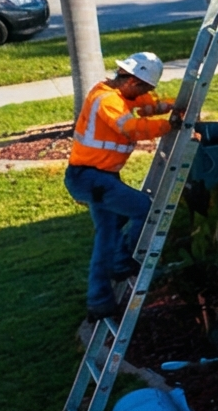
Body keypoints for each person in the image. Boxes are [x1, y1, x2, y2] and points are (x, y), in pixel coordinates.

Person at [66, 52, 177, 323]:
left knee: (107, 234)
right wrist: (169, 125)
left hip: (101, 177)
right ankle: (123, 261)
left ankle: (100, 302)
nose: (148, 93)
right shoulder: (106, 100)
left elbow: (148, 107)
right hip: (89, 177)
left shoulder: (125, 93)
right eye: (146, 88)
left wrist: (178, 104)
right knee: (143, 208)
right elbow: (132, 129)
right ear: (132, 81)